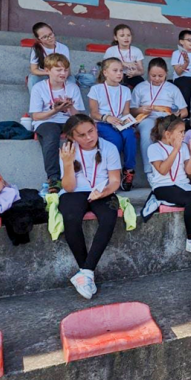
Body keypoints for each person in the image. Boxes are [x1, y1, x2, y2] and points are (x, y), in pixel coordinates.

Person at [58, 114, 122, 299]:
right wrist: (68, 163)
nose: (88, 138)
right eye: (81, 135)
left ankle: (86, 272)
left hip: (103, 190)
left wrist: (103, 193)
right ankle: (86, 273)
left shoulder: (108, 147)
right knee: (71, 217)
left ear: (95, 127)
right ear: (71, 137)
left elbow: (115, 181)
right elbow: (69, 187)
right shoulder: (68, 150)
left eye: (91, 131)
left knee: (109, 217)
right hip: (74, 192)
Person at [149, 115, 191, 254]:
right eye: (180, 132)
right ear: (168, 134)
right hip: (163, 186)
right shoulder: (154, 148)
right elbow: (163, 170)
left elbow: (189, 170)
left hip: (182, 184)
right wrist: (175, 150)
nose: (183, 135)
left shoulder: (184, 147)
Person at [30, 54, 85, 192]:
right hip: (46, 121)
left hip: (68, 120)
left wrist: (70, 107)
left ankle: (77, 173)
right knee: (51, 134)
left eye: (65, 70)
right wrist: (55, 110)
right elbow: (36, 116)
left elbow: (79, 117)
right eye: (58, 70)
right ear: (48, 70)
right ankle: (53, 178)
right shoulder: (39, 87)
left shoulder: (73, 88)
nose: (63, 73)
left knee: (79, 132)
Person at [131, 58, 189, 178]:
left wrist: (175, 116)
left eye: (160, 76)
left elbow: (184, 111)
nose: (157, 79)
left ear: (166, 74)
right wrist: (141, 110)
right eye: (153, 75)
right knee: (147, 132)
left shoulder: (172, 88)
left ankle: (175, 171)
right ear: (148, 73)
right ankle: (149, 171)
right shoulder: (140, 87)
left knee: (173, 132)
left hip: (167, 118)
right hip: (147, 117)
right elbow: (132, 110)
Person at [88, 58, 138, 191]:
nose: (119, 73)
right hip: (103, 122)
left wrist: (127, 121)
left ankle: (129, 170)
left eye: (121, 70)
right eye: (115, 70)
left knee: (130, 137)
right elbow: (94, 113)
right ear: (105, 72)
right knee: (115, 140)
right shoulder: (96, 89)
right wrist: (107, 118)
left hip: (120, 122)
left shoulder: (125, 90)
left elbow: (126, 112)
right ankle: (113, 172)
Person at [28, 22, 72, 91]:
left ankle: (67, 100)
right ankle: (35, 100)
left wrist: (58, 74)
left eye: (50, 34)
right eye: (45, 37)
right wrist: (49, 73)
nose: (50, 38)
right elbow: (34, 70)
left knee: (72, 80)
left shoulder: (63, 48)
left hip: (60, 74)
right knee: (32, 79)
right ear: (38, 39)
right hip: (44, 74)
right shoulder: (36, 49)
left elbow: (68, 70)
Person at [104, 24, 145, 89]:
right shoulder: (111, 50)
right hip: (115, 75)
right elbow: (105, 68)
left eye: (128, 35)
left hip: (131, 76)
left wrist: (135, 73)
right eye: (122, 36)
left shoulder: (137, 51)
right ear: (115, 38)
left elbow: (142, 71)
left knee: (143, 85)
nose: (126, 38)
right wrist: (122, 64)